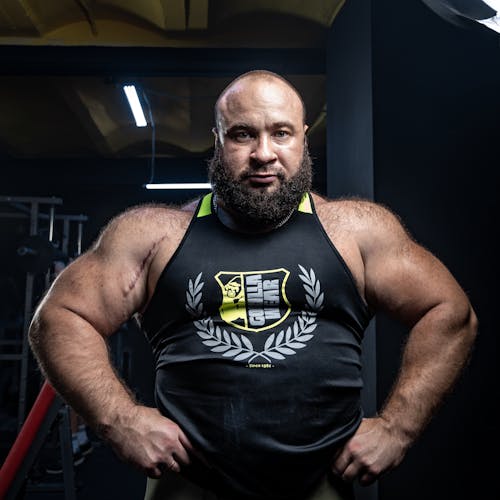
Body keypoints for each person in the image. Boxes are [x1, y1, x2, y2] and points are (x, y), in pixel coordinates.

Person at [28, 70, 477, 500]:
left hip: (319, 484)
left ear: (303, 137)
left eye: (281, 133)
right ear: (218, 140)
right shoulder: (153, 236)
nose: (264, 153)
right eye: (243, 134)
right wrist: (118, 419)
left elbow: (449, 312)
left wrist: (398, 429)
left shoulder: (356, 232)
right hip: (189, 485)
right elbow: (59, 317)